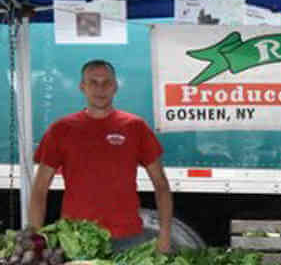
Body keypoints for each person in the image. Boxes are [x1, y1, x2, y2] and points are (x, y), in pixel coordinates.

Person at [29, 59, 173, 253]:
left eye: (106, 82)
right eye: (93, 82)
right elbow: (39, 190)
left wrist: (165, 235)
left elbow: (161, 185)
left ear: (115, 86)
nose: (100, 88)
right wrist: (36, 239)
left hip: (127, 237)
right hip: (76, 238)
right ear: (82, 87)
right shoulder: (61, 129)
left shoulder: (135, 127)